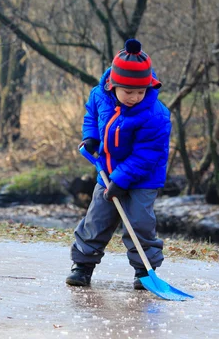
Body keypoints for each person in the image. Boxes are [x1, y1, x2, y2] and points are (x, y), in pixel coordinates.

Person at [66, 38, 171, 290]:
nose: (135, 97)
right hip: (107, 172)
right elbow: (91, 114)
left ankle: (144, 271)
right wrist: (91, 136)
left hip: (142, 177)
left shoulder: (155, 115)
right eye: (129, 92)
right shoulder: (100, 96)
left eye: (140, 92)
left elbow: (146, 155)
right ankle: (82, 266)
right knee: (97, 218)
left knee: (138, 222)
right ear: (112, 85)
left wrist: (121, 181)